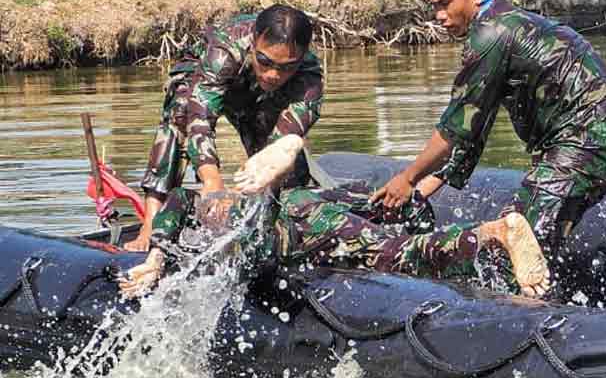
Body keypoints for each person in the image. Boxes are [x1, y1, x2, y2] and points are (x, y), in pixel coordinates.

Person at [370, 0, 606, 260]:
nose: (439, 16)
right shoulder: (509, 23)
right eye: (434, 7)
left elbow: (455, 127)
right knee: (538, 242)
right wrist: (423, 188)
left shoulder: (489, 35)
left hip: (587, 141)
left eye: (445, 4)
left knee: (514, 242)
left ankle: (527, 305)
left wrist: (406, 178)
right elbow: (473, 129)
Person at [119, 135, 550, 299]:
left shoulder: (210, 209)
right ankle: (466, 243)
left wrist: (154, 259)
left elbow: (175, 201)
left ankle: (492, 232)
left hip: (297, 226)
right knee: (392, 226)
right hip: (311, 207)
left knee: (394, 255)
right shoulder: (217, 204)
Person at [124, 4, 324, 252]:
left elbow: (282, 144)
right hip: (202, 76)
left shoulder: (309, 78)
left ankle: (282, 227)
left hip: (259, 95)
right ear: (253, 43)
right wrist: (211, 180)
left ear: (301, 59)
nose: (273, 74)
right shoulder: (224, 50)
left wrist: (260, 181)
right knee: (182, 109)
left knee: (282, 163)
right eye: (265, 62)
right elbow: (200, 118)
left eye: (286, 67)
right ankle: (152, 220)